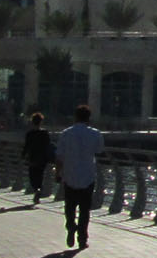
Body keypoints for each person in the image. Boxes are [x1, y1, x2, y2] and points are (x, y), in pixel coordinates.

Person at [54, 104, 104, 249]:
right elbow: (99, 150)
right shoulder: (96, 134)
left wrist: (58, 173)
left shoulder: (66, 133)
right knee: (84, 209)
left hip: (69, 174)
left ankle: (71, 226)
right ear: (89, 118)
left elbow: (59, 156)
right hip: (88, 175)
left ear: (75, 117)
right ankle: (82, 238)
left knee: (69, 206)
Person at [22, 111, 53, 201]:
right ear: (41, 122)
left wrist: (23, 155)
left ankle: (37, 189)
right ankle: (39, 189)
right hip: (43, 158)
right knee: (40, 174)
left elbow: (26, 146)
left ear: (32, 122)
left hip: (32, 157)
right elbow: (48, 145)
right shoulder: (45, 133)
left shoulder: (29, 134)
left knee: (32, 176)